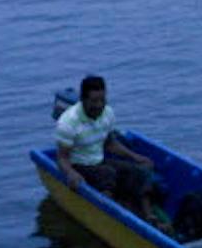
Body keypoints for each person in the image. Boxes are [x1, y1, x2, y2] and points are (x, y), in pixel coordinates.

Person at [53, 74, 156, 217]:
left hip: (99, 161)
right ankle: (111, 213)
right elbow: (62, 158)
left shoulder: (107, 113)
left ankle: (149, 215)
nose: (99, 105)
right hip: (79, 164)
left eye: (102, 100)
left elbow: (110, 144)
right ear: (83, 100)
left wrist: (136, 157)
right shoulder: (68, 122)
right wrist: (71, 173)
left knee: (140, 172)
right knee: (107, 174)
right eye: (94, 101)